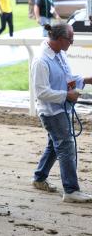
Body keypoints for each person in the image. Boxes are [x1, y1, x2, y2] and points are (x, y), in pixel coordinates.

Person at [31, 22, 92, 203]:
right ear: (59, 39)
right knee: (66, 145)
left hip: (60, 108)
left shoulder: (59, 54)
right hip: (51, 112)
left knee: (55, 144)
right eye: (70, 39)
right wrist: (67, 95)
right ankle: (71, 190)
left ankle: (39, 178)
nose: (71, 43)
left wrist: (87, 80)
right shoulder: (41, 60)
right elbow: (41, 92)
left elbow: (68, 79)